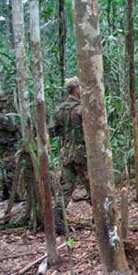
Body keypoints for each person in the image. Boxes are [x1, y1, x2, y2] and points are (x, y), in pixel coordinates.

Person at [50, 77, 89, 235]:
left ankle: (57, 219)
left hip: (66, 153)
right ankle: (103, 218)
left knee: (66, 188)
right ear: (76, 89)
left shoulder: (59, 110)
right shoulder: (81, 109)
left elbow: (52, 131)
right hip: (82, 154)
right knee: (93, 187)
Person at [0, 91, 20, 201]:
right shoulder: (0, 117)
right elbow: (11, 127)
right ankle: (14, 195)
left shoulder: (2, 115)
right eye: (2, 102)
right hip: (6, 147)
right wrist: (18, 125)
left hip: (6, 146)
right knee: (11, 169)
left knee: (6, 168)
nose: (4, 104)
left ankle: (5, 194)